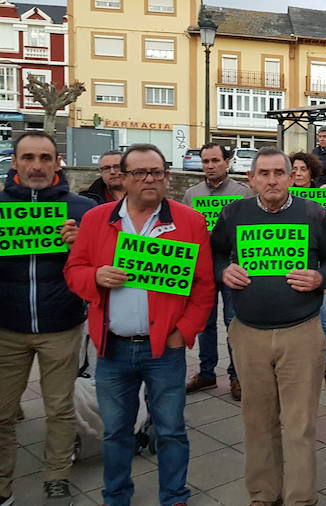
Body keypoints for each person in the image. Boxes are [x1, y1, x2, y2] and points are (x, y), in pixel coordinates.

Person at [64, 143, 215, 506]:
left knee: (171, 430)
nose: (149, 179)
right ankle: (116, 497)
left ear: (166, 176)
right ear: (124, 177)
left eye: (157, 172)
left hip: (164, 348)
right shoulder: (98, 219)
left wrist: (186, 330)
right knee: (116, 433)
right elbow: (74, 270)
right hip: (112, 347)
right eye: (140, 173)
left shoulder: (189, 221)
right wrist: (96, 276)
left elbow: (204, 286)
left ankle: (175, 496)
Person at [211, 147, 326, 506]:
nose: (271, 180)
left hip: (301, 332)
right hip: (248, 332)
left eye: (278, 173)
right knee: (257, 421)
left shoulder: (313, 213)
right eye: (263, 174)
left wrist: (320, 276)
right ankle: (263, 494)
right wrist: (223, 270)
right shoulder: (233, 213)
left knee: (299, 424)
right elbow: (216, 253)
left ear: (291, 177)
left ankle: (301, 498)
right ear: (251, 179)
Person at [0, 131, 95, 506]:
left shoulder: (83, 208)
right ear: (15, 163)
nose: (36, 166)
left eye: (44, 158)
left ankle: (57, 477)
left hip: (62, 324)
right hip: (7, 326)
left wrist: (78, 246)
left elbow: (100, 266)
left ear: (58, 162)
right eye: (28, 158)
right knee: (3, 412)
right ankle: (3, 482)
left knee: (59, 408)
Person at [182, 142, 253, 401]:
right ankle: (206, 372)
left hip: (232, 267)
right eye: (205, 161)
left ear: (227, 162)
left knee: (233, 322)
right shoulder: (192, 194)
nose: (210, 166)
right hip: (201, 268)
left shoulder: (242, 193)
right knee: (204, 323)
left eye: (215, 160)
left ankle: (237, 376)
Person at [291, 151, 326, 390]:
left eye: (303, 169)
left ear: (311, 171)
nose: (298, 173)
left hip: (316, 266)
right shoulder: (283, 196)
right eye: (294, 169)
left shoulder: (323, 196)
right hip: (287, 264)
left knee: (325, 319)